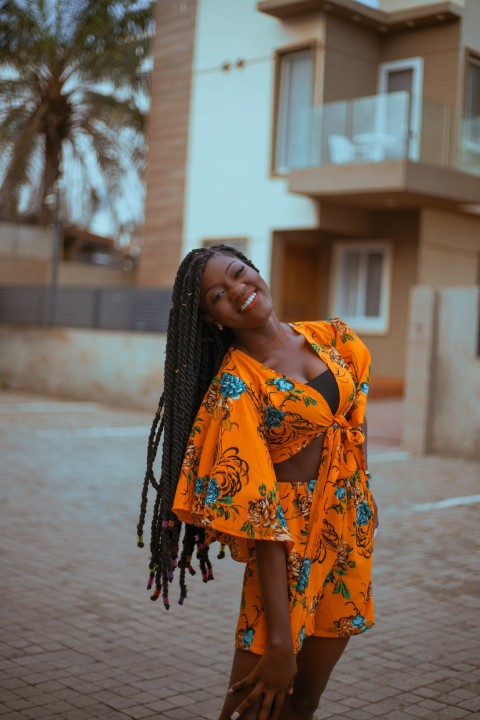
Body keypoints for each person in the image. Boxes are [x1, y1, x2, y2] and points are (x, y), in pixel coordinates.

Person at [137, 244, 378, 720]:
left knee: (304, 700)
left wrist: (362, 487)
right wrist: (280, 640)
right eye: (219, 296)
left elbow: (355, 408)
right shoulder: (236, 389)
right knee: (250, 708)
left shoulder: (330, 336)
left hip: (349, 535)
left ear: (255, 269)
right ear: (212, 319)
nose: (239, 291)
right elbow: (260, 517)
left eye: (239, 274)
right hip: (286, 553)